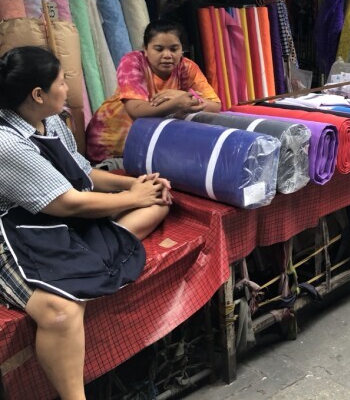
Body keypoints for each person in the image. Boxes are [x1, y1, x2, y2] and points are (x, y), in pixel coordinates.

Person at [0, 46, 172, 400]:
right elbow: (66, 202)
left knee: (159, 203)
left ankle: (102, 250)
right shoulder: (6, 142)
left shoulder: (50, 121)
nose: (68, 87)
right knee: (60, 312)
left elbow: (83, 173)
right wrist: (131, 199)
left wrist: (138, 185)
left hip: (60, 219)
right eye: (62, 81)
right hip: (15, 233)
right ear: (38, 94)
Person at [86, 20, 221, 164]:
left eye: (174, 49)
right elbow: (135, 110)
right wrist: (177, 102)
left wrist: (181, 97)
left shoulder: (187, 67)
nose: (167, 55)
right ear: (146, 49)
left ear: (182, 49)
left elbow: (215, 106)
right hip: (109, 145)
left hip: (147, 146)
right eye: (159, 49)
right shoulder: (133, 62)